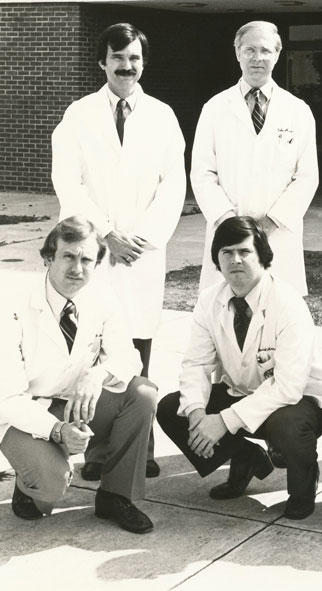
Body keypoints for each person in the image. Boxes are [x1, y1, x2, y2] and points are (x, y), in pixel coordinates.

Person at [51, 22, 186, 478]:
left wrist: (140, 238)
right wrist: (107, 234)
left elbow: (173, 184)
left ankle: (140, 449)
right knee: (93, 348)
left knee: (139, 346)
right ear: (102, 61)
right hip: (96, 250)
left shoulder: (162, 116)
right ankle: (97, 451)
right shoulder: (79, 114)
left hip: (141, 255)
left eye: (134, 58)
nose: (127, 67)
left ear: (143, 63)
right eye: (118, 58)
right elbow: (66, 181)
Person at [156, 216, 322, 519]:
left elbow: (288, 387)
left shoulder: (287, 303)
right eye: (226, 252)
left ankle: (303, 488)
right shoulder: (209, 300)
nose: (235, 260)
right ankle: (247, 458)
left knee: (286, 425)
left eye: (244, 251)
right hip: (242, 392)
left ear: (262, 256)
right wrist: (198, 416)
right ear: (217, 259)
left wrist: (222, 422)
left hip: (298, 402)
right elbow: (196, 364)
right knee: (172, 409)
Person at [0, 217, 157, 534]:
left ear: (97, 264)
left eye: (86, 260)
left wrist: (98, 375)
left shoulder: (102, 296)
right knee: (49, 487)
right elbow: (6, 396)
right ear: (48, 257)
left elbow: (128, 358)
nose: (77, 269)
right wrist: (57, 431)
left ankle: (115, 496)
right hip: (22, 412)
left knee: (142, 394)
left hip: (75, 404)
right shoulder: (11, 303)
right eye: (68, 256)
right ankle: (30, 478)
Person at [191, 21, 318, 295]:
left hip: (278, 234)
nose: (257, 58)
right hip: (227, 231)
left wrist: (269, 224)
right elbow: (202, 173)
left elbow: (307, 177)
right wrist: (230, 224)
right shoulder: (214, 108)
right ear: (237, 52)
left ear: (277, 54)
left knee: (278, 308)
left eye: (265, 50)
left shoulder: (298, 110)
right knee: (225, 305)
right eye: (249, 50)